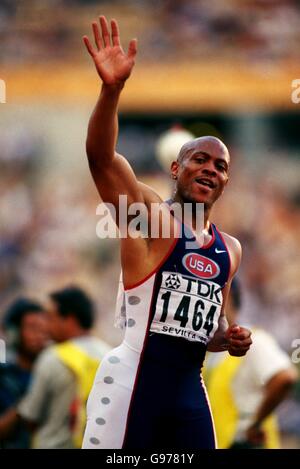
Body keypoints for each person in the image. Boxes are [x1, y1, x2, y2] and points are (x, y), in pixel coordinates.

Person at [82, 16, 252, 449]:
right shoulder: (152, 217)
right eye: (199, 158)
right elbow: (102, 159)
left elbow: (208, 331)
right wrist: (111, 91)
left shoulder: (229, 250)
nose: (210, 168)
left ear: (226, 182)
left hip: (189, 395)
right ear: (176, 169)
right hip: (131, 386)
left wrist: (228, 338)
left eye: (220, 165)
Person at [0, 286, 111, 449]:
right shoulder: (108, 355)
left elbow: (30, 418)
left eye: (50, 320)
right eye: (33, 328)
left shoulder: (53, 357)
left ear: (70, 320)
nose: (45, 330)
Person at [203, 278, 298, 449]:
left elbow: (285, 378)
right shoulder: (210, 351)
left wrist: (255, 425)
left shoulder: (255, 341)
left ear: (231, 299)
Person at [0, 298, 48, 448]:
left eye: (44, 329)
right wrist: (26, 405)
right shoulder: (3, 376)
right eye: (33, 328)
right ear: (14, 333)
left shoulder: (51, 372)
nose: (41, 336)